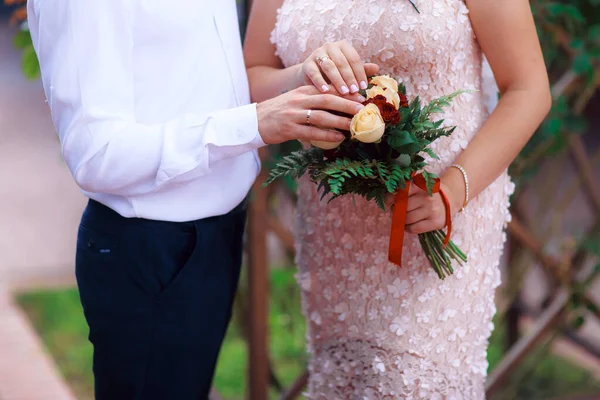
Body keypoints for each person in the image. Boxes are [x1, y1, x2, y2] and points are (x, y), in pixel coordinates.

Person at [26, 0, 367, 399]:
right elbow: (97, 155)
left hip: (213, 240)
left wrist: (299, 82)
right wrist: (254, 123)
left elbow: (202, 83)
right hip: (150, 253)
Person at [244, 0, 551, 398]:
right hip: (336, 230)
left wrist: (452, 191)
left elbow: (528, 87)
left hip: (442, 216)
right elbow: (250, 77)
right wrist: (301, 77)